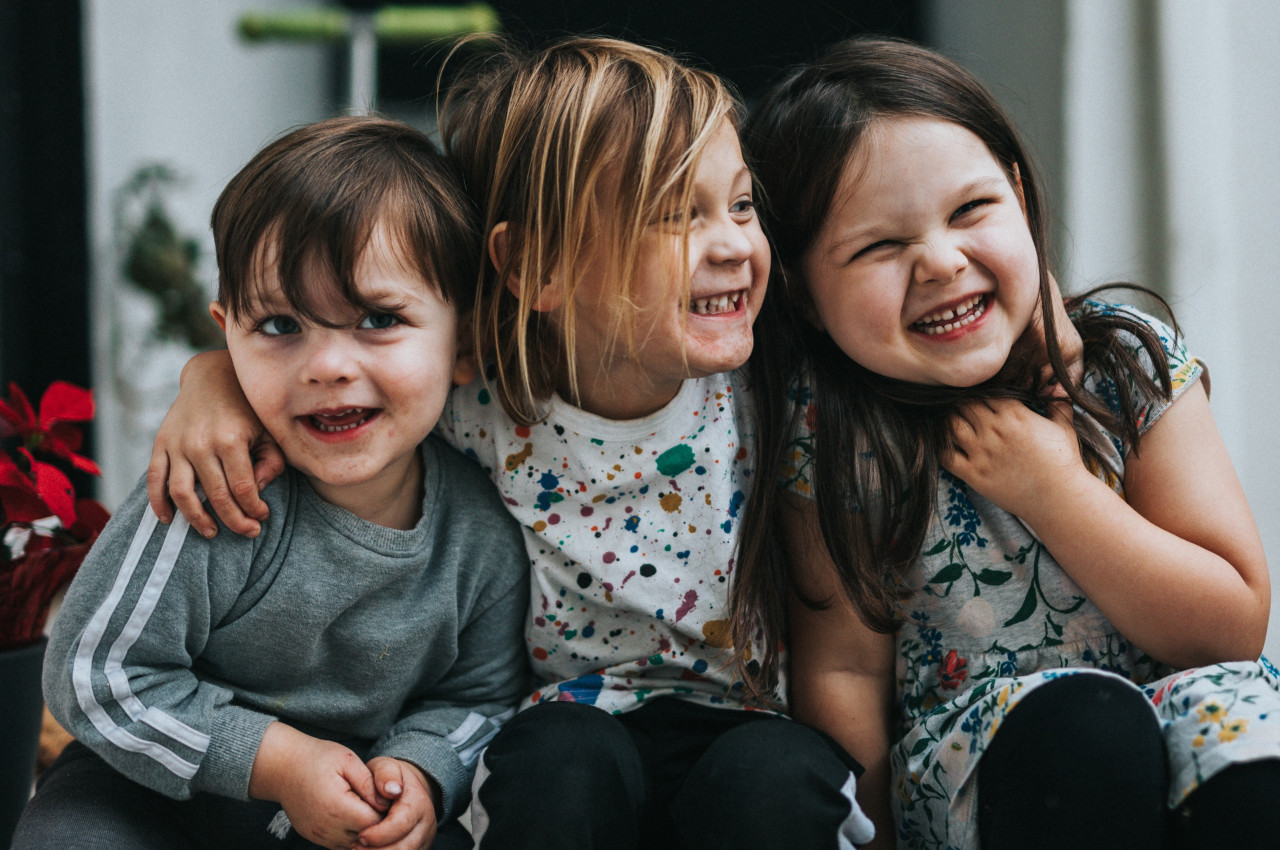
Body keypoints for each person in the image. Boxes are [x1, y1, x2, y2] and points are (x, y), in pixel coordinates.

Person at [133, 38, 879, 849]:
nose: (734, 244)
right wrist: (212, 381)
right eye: (673, 215)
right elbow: (357, 378)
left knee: (777, 780)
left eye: (740, 205)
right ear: (536, 266)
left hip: (747, 725)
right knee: (558, 767)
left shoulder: (777, 386)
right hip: (569, 724)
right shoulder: (484, 398)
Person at [735, 35, 1280, 850]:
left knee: (1252, 737)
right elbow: (843, 673)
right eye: (880, 247)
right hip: (983, 761)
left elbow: (1229, 628)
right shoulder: (836, 434)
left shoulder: (1126, 365)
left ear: (1021, 198)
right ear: (804, 295)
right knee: (1087, 728)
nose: (942, 261)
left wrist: (1055, 490)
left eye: (970, 211)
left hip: (1175, 720)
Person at [13, 116, 530, 850]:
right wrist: (276, 761)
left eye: (378, 319)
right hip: (154, 791)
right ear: (226, 334)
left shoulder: (479, 534)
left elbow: (479, 697)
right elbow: (95, 673)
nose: (326, 366)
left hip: (352, 803)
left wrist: (419, 767)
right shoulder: (213, 491)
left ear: (467, 342)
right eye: (281, 325)